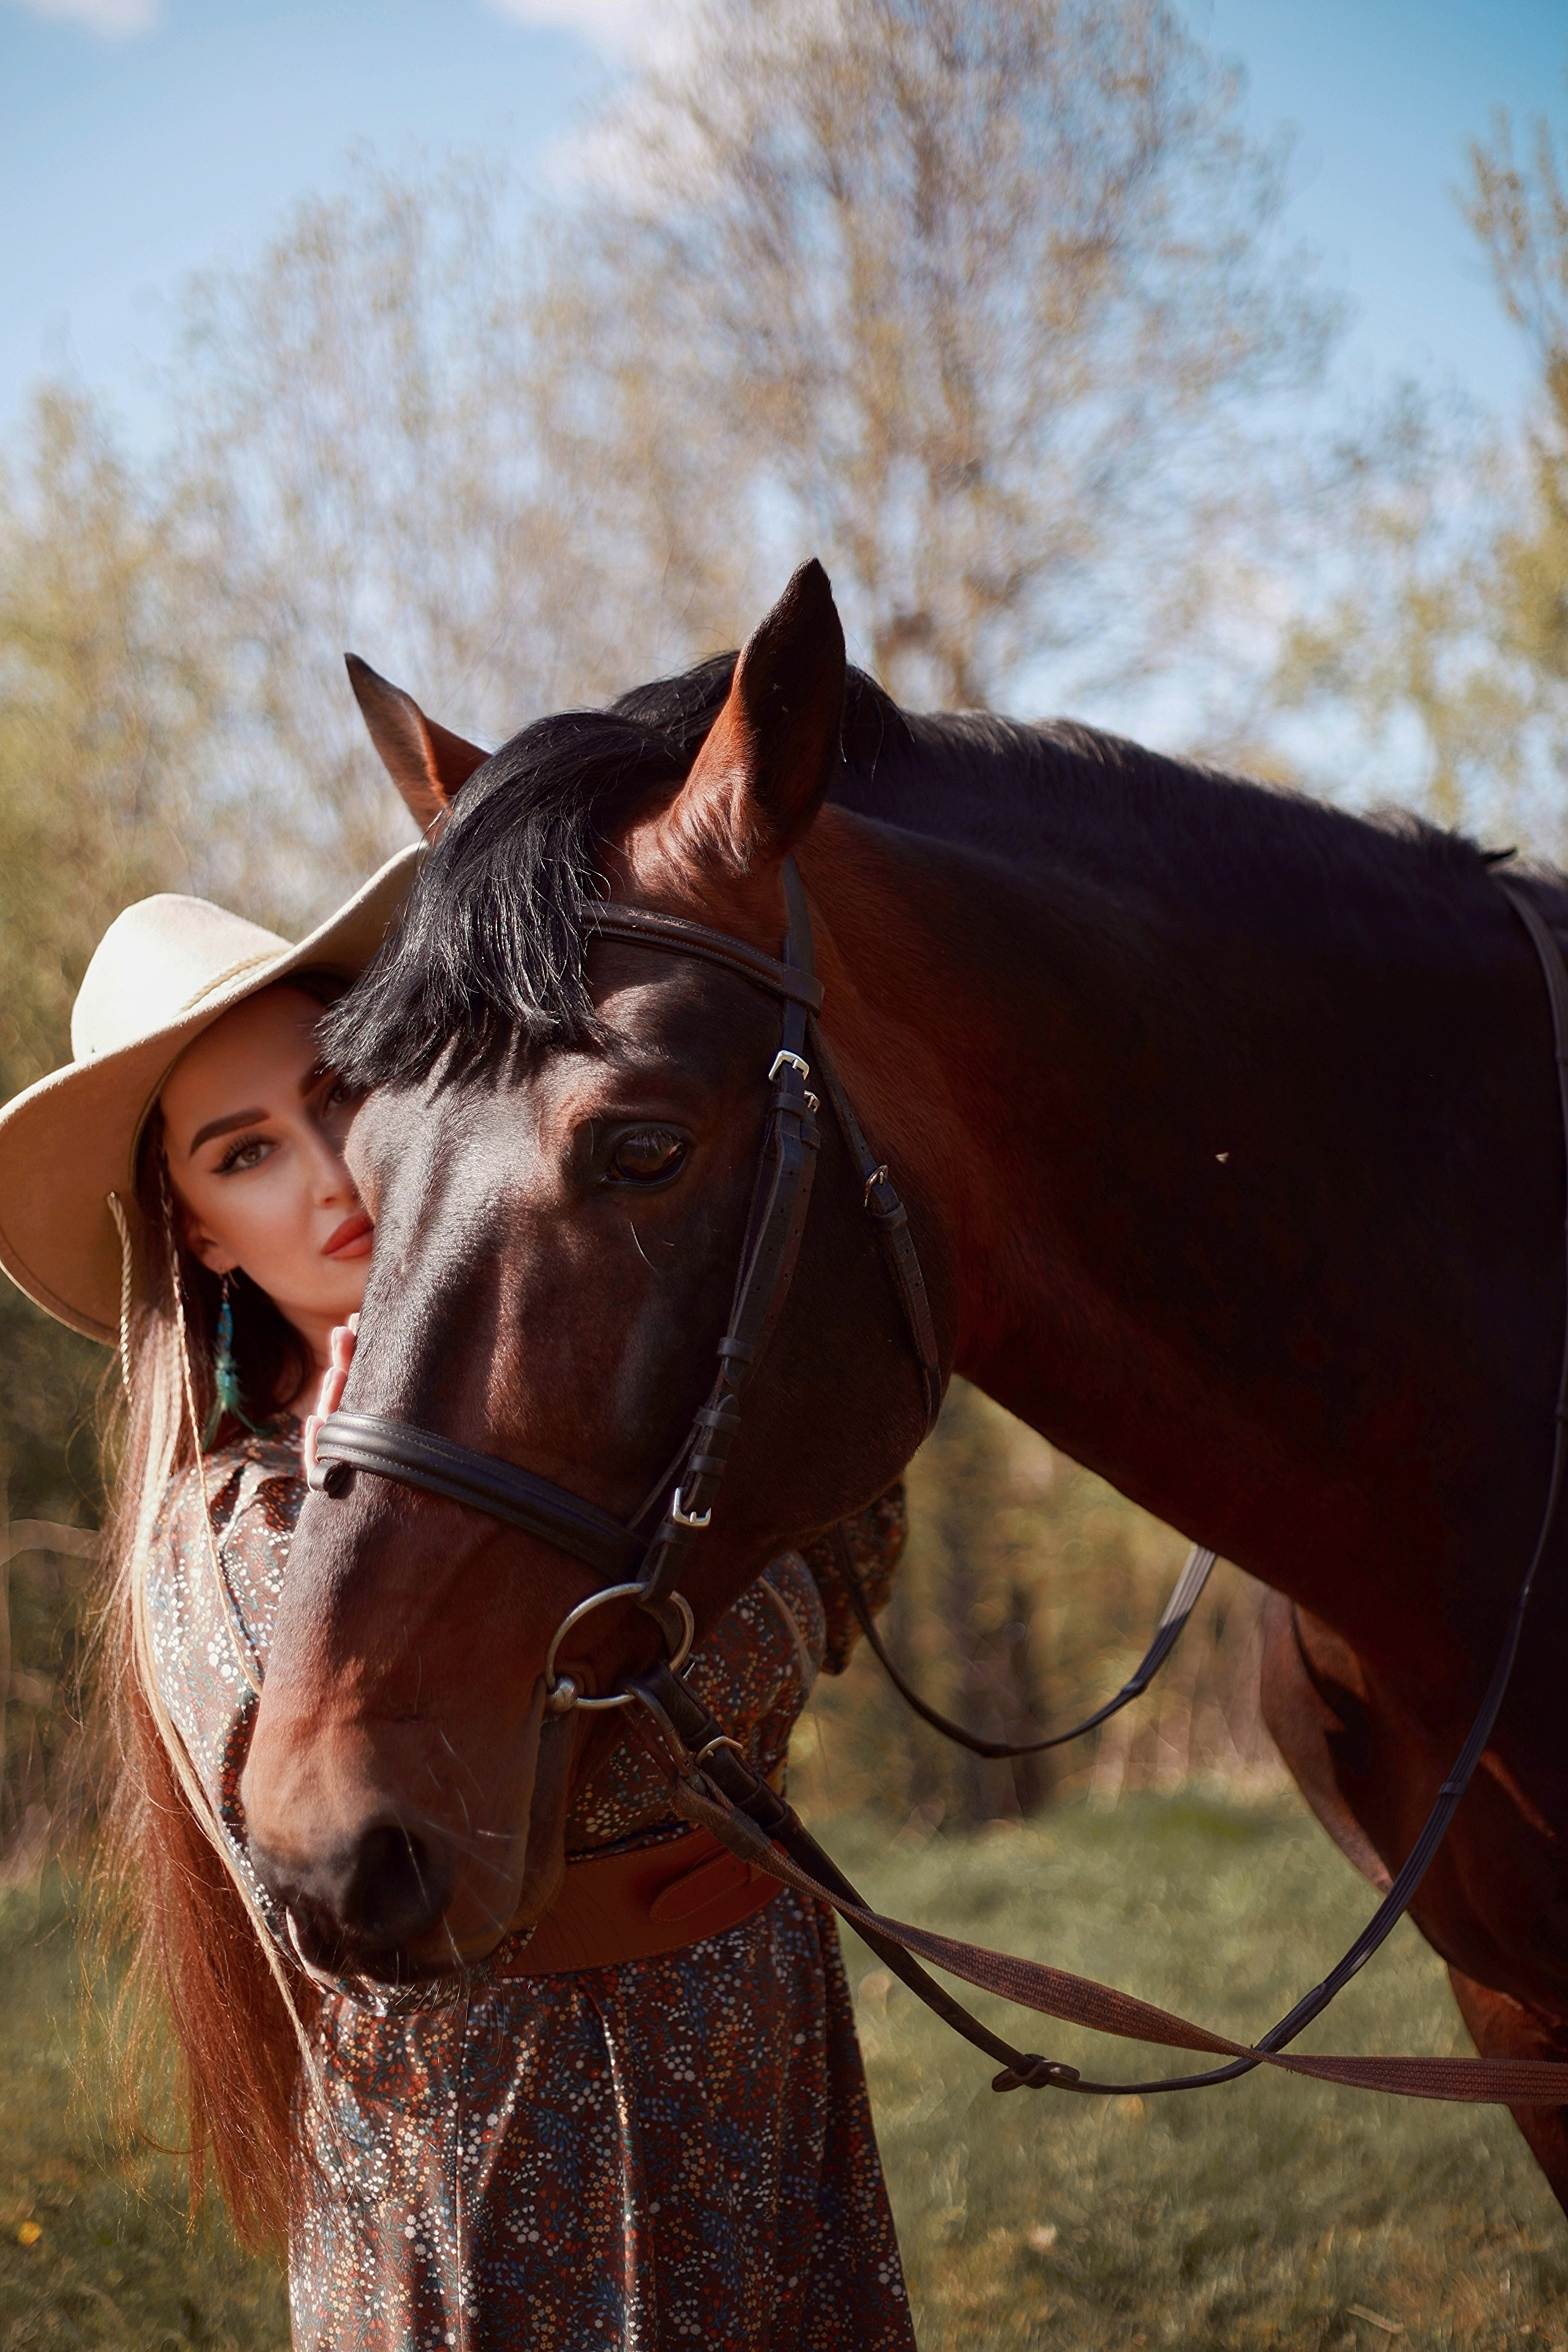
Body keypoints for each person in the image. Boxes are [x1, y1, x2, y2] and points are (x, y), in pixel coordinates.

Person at [0, 858, 914, 2351]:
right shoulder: (227, 1533)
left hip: (754, 2051)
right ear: (200, 1233)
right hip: (488, 2146)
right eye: (245, 1154)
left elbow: (845, 1574)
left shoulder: (603, 1397)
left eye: (338, 1093)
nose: (326, 1171)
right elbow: (467, 1788)